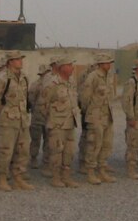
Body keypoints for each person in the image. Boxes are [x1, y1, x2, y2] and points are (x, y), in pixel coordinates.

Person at [0, 51, 34, 191]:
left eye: (21, 58)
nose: (20, 61)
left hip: (23, 120)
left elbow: (26, 98)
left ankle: (18, 178)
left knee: (23, 150)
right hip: (8, 121)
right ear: (10, 62)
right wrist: (7, 112)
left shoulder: (25, 77)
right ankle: (2, 178)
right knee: (5, 151)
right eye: (17, 59)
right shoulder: (2, 78)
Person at [39, 57, 79, 188]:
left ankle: (66, 177)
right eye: (69, 65)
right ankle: (56, 177)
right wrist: (51, 119)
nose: (72, 67)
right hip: (56, 124)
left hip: (70, 123)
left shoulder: (71, 82)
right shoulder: (52, 83)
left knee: (69, 152)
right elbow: (43, 104)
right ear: (62, 67)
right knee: (56, 151)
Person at [80, 53, 117, 185]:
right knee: (94, 144)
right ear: (100, 64)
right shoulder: (93, 76)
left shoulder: (108, 77)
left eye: (110, 62)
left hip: (107, 116)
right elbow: (85, 97)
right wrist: (88, 112)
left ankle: (102, 170)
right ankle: (90, 172)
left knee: (106, 144)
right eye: (107, 63)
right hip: (95, 116)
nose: (109, 65)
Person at [28, 60, 51, 170]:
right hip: (37, 116)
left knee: (48, 139)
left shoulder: (51, 84)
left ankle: (46, 160)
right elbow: (31, 100)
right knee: (36, 139)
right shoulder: (35, 85)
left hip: (48, 116)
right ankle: (33, 158)